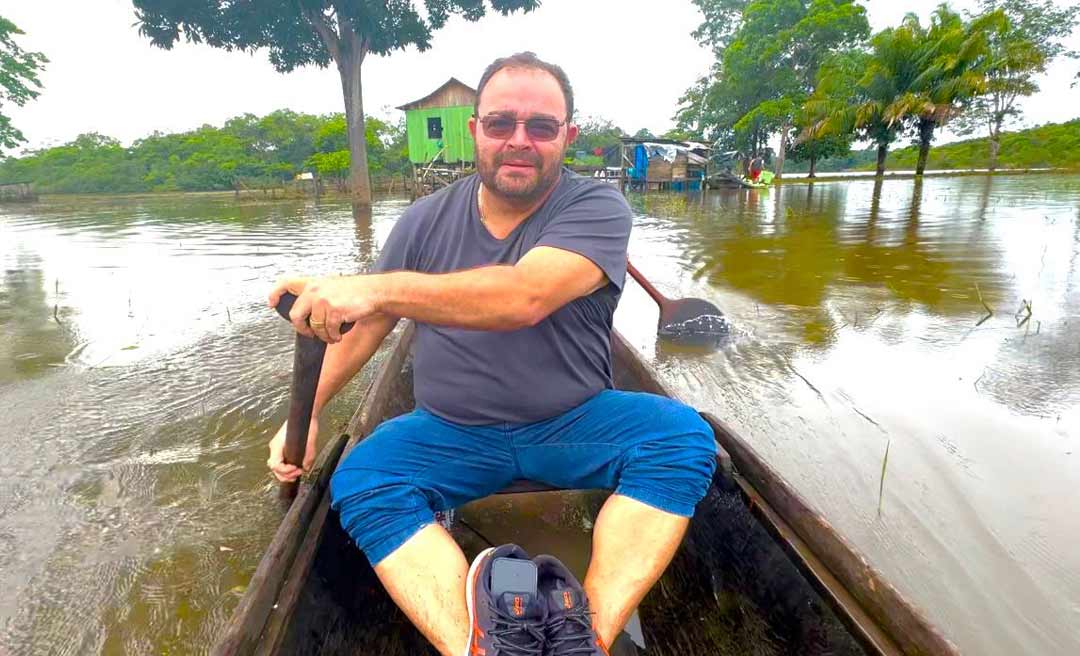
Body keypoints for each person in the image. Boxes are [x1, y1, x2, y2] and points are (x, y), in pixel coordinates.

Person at [266, 52, 716, 656]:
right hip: (450, 432)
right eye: (501, 124)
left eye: (541, 127)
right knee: (363, 477)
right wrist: (312, 410)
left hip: (572, 424)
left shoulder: (596, 209)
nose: (519, 141)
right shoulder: (424, 221)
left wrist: (369, 286)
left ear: (568, 137)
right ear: (475, 131)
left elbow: (523, 296)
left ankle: (589, 635)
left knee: (682, 438)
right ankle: (475, 648)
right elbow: (369, 329)